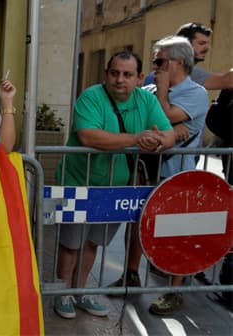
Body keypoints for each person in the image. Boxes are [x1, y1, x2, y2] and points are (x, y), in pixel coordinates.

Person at [53, 50, 175, 320]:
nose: (120, 79)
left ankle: (81, 291)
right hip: (78, 182)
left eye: (127, 74)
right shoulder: (91, 97)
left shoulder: (146, 99)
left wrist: (157, 141)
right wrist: (136, 138)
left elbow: (169, 134)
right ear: (106, 74)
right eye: (115, 73)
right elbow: (88, 137)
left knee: (94, 242)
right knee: (72, 243)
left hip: (114, 188)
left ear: (139, 78)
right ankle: (62, 295)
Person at [120, 36, 208, 315]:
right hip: (145, 170)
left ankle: (174, 290)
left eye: (159, 61)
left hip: (176, 174)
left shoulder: (195, 93)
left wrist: (162, 95)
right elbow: (144, 120)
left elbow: (160, 117)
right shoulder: (147, 88)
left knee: (175, 233)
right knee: (135, 224)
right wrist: (168, 126)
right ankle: (130, 274)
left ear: (178, 63)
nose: (154, 67)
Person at [144, 22, 233, 90]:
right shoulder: (183, 70)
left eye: (207, 44)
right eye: (201, 43)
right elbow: (228, 81)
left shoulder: (154, 74)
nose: (207, 48)